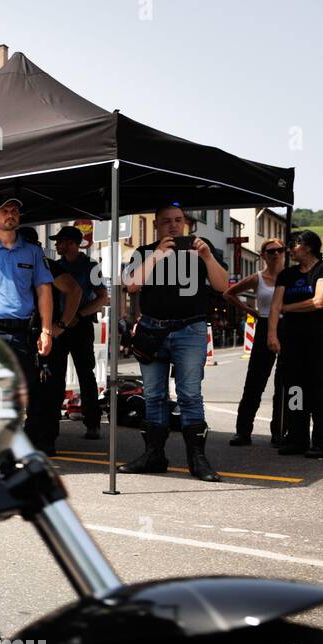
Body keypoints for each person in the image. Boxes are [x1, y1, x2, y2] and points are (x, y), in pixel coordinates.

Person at [119, 203, 229, 482]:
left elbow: (222, 285)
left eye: (178, 220)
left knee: (190, 393)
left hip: (189, 329)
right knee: (154, 395)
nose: (173, 225)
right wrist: (157, 255)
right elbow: (132, 284)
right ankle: (154, 456)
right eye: (166, 221)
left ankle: (198, 460)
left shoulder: (202, 249)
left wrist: (206, 257)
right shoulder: (145, 253)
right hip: (152, 330)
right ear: (156, 225)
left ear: (186, 222)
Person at [0, 199, 74, 454]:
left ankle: (27, 447)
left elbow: (44, 291)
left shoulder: (32, 251)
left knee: (32, 390)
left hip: (24, 330)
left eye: (14, 211)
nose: (10, 215)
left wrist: (46, 330)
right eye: (4, 211)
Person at [268, 230, 323, 458]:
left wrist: (287, 309)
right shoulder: (287, 275)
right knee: (294, 391)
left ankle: (322, 442)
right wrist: (272, 334)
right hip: (292, 342)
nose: (289, 249)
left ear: (307, 246)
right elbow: (274, 306)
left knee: (320, 391)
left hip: (320, 342)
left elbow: (319, 302)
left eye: (293, 244)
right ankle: (297, 439)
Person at [48, 226, 109, 439]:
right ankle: (51, 421)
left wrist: (79, 315)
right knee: (55, 375)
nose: (56, 244)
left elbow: (103, 298)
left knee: (85, 374)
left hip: (80, 326)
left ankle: (92, 423)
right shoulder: (57, 266)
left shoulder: (90, 266)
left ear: (72, 243)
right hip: (59, 325)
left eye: (60, 241)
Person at [224, 238, 285, 446]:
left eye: (280, 250)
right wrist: (250, 310)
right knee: (255, 381)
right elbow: (228, 293)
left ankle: (279, 432)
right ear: (263, 255)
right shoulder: (257, 277)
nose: (276, 254)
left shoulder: (292, 277)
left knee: (284, 383)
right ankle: (243, 431)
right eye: (271, 251)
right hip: (265, 325)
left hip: (287, 327)